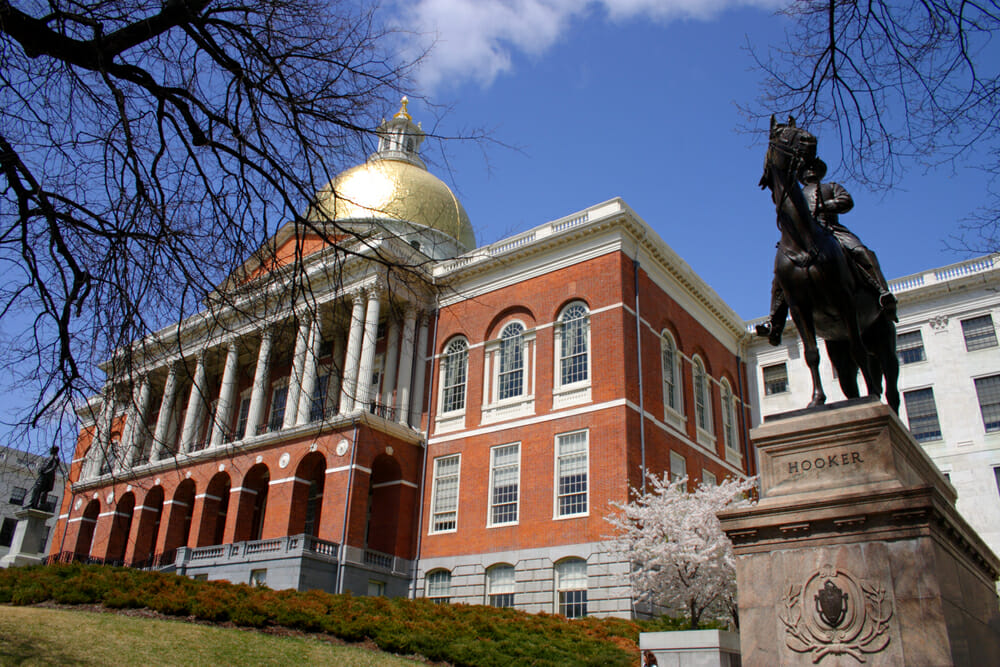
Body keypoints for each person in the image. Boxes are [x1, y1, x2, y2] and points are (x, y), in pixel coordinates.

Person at [756, 157, 897, 346]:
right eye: (806, 168)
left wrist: (824, 206)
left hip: (832, 230)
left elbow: (846, 202)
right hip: (803, 237)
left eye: (814, 168)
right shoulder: (796, 194)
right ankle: (775, 322)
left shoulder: (831, 187)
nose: (810, 171)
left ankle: (883, 293)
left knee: (862, 252)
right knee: (780, 276)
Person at [26, 446, 61, 510]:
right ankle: (33, 504)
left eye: (51, 449)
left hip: (47, 477)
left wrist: (45, 472)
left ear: (54, 450)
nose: (50, 450)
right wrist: (40, 470)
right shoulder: (50, 457)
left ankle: (38, 504)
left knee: (39, 490)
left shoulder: (56, 458)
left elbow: (53, 467)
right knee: (36, 489)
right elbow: (44, 465)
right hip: (43, 475)